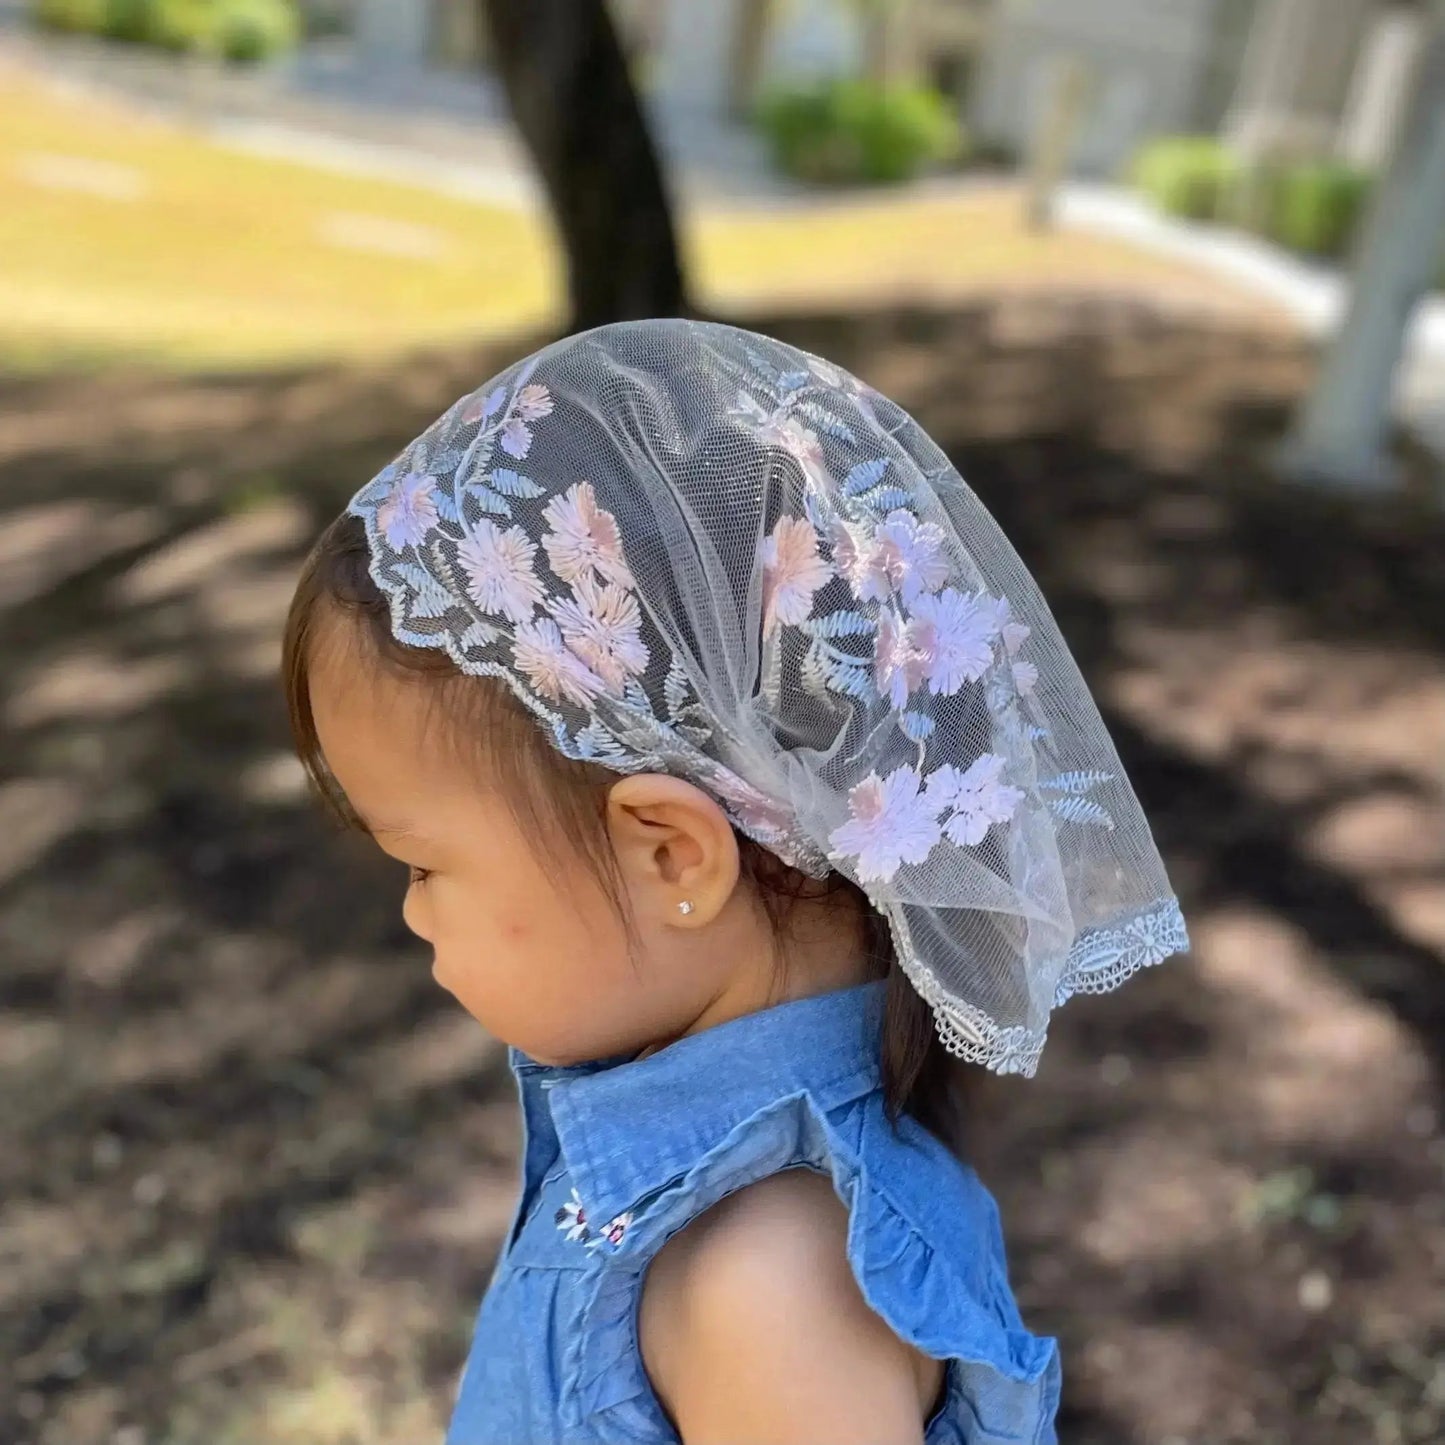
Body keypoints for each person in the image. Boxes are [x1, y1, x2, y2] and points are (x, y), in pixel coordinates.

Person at [282, 319, 1188, 1444]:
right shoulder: (704, 1201)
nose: (412, 908)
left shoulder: (764, 1287)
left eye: (422, 862)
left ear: (672, 852)